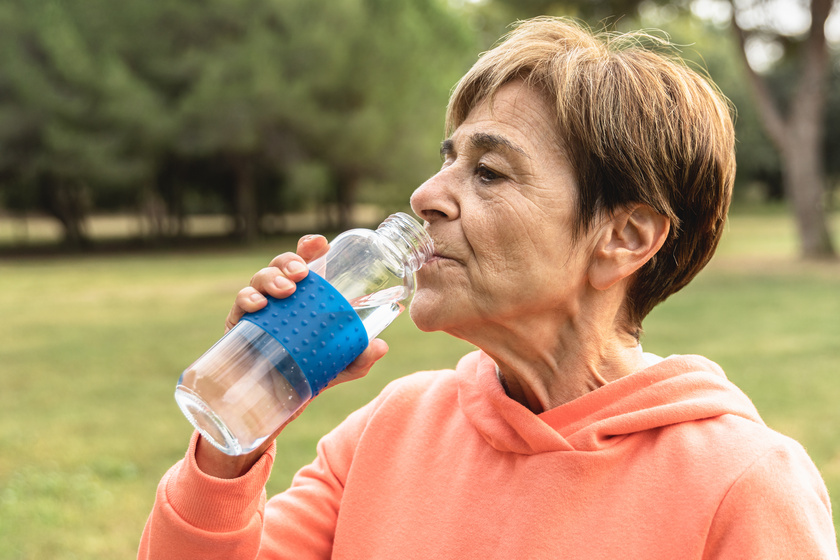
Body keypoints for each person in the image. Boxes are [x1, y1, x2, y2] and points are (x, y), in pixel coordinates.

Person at [139, 17, 839, 559]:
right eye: (449, 161)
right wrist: (235, 434)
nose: (426, 195)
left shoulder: (743, 485)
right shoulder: (391, 430)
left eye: (489, 173)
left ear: (625, 238)